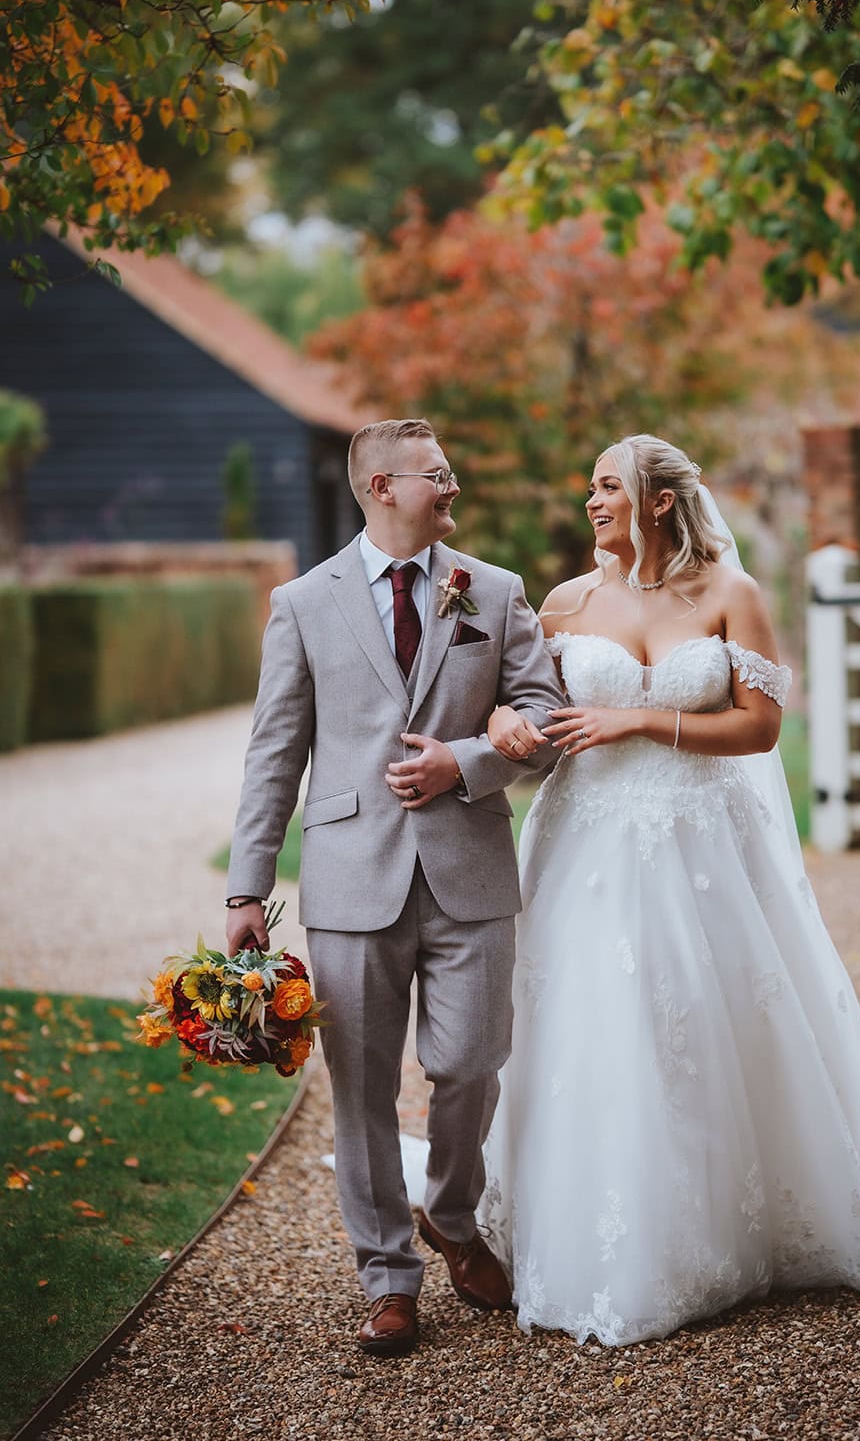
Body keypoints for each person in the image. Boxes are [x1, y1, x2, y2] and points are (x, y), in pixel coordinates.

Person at [481, 433, 860, 1346]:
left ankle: (733, 1221)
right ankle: (592, 1224)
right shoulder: (561, 603)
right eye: (587, 487)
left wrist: (640, 716)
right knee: (596, 1022)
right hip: (583, 840)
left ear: (657, 499)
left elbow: (758, 730)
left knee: (705, 1022)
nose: (590, 502)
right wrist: (509, 722)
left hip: (700, 840)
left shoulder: (730, 595)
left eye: (605, 487)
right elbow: (525, 711)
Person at [224, 418, 565, 1356]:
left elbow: (540, 712)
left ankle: (451, 1215)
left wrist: (463, 763)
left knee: (470, 1063)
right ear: (381, 487)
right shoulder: (301, 601)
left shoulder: (493, 592)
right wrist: (245, 888)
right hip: (348, 877)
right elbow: (273, 751)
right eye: (437, 477)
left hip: (469, 871)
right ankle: (387, 1275)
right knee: (363, 1090)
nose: (452, 490)